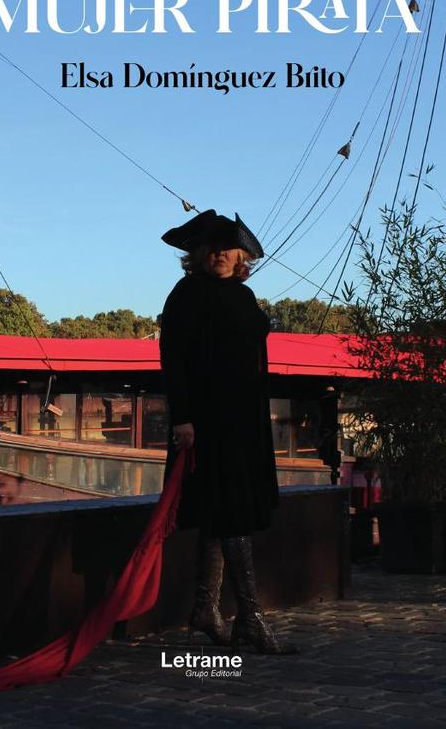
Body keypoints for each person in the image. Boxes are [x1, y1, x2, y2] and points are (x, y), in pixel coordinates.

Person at [160, 209, 297, 654]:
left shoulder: (244, 294)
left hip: (244, 419)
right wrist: (182, 418)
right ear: (199, 253)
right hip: (207, 422)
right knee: (231, 510)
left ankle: (206, 607)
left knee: (222, 513)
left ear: (241, 256)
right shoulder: (187, 293)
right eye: (212, 248)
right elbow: (173, 359)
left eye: (228, 248)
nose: (220, 254)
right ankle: (251, 619)